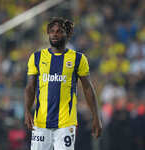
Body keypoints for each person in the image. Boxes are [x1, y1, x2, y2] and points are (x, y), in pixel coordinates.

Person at [24, 17, 102, 150]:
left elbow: (88, 88)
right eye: (52, 31)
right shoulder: (36, 57)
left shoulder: (78, 59)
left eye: (59, 31)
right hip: (41, 122)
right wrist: (27, 111)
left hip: (66, 123)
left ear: (67, 34)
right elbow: (30, 87)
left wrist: (96, 116)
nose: (55, 34)